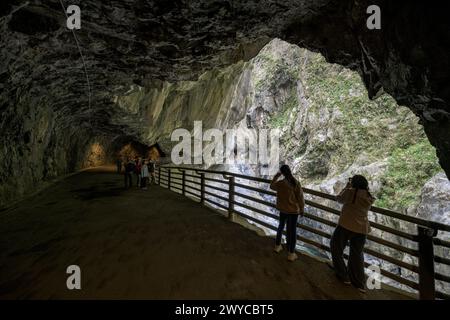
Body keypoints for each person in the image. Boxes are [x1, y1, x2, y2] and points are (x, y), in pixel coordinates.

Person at [330, 175, 375, 293]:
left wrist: (347, 186)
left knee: (335, 247)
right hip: (362, 229)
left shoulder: (351, 192)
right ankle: (359, 283)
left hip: (346, 225)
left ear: (354, 183)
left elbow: (339, 199)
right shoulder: (368, 195)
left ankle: (343, 275)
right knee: (357, 255)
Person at [270, 164, 305, 262]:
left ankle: (277, 246)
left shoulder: (281, 183)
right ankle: (291, 253)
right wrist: (302, 209)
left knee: (281, 226)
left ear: (282, 173)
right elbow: (300, 198)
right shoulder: (296, 183)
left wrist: (276, 177)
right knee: (292, 231)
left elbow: (271, 186)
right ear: (290, 171)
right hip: (294, 211)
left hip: (283, 210)